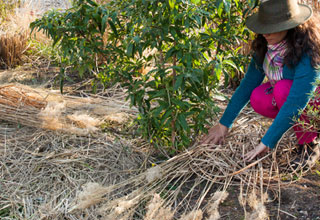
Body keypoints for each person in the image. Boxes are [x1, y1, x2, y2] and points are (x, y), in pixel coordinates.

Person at [201, 0, 320, 162]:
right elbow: (247, 86)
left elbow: (297, 101)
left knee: (282, 90)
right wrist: (224, 125)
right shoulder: (266, 46)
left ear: (288, 25)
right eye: (264, 28)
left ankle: (309, 144)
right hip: (296, 99)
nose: (265, 33)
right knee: (258, 97)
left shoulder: (308, 50)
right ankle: (297, 127)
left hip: (313, 102)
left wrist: (266, 142)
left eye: (271, 29)